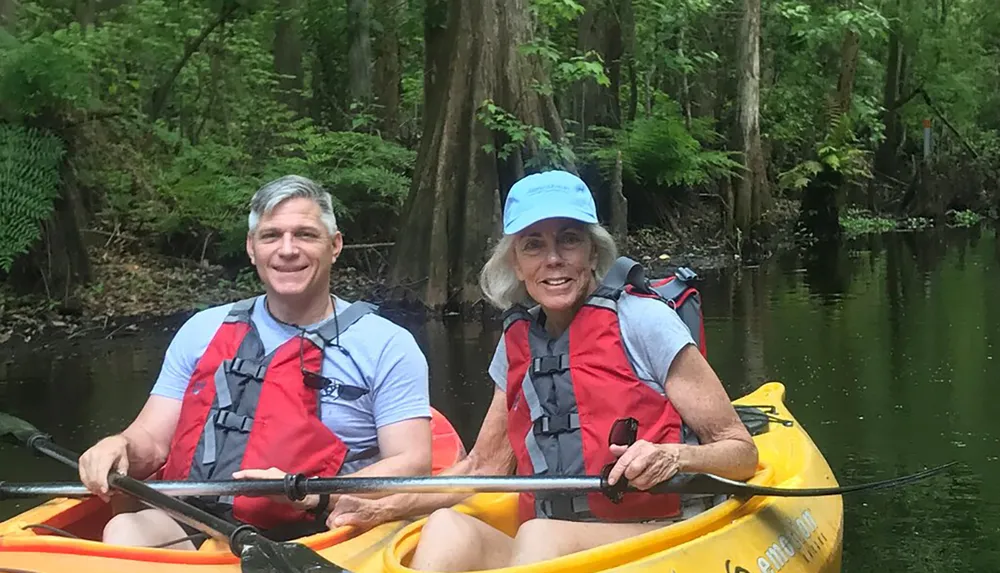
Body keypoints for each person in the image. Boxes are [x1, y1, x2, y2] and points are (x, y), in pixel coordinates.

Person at [325, 170, 759, 570]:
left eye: (569, 240)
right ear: (515, 262)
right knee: (446, 528)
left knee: (539, 536)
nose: (553, 259)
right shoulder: (517, 345)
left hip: (656, 537)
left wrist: (674, 456)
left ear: (592, 252)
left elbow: (740, 451)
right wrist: (380, 509)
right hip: (556, 542)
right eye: (533, 244)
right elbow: (483, 470)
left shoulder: (643, 321)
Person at [77, 175, 433, 549]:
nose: (287, 249)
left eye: (306, 235)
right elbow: (150, 441)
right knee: (125, 530)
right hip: (196, 523)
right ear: (251, 248)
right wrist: (118, 445)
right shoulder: (202, 330)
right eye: (271, 235)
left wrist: (311, 493)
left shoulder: (387, 344)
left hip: (320, 535)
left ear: (335, 245)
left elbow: (412, 464)